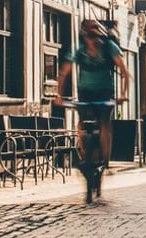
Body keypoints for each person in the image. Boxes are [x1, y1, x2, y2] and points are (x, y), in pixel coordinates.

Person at [54, 19, 131, 164]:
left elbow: (124, 72)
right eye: (89, 37)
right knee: (82, 122)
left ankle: (105, 159)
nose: (92, 41)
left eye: (96, 37)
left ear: (100, 37)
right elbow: (63, 73)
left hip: (105, 90)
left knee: (104, 123)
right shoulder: (79, 49)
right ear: (84, 37)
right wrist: (58, 95)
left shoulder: (110, 47)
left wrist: (123, 93)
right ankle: (84, 153)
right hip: (85, 90)